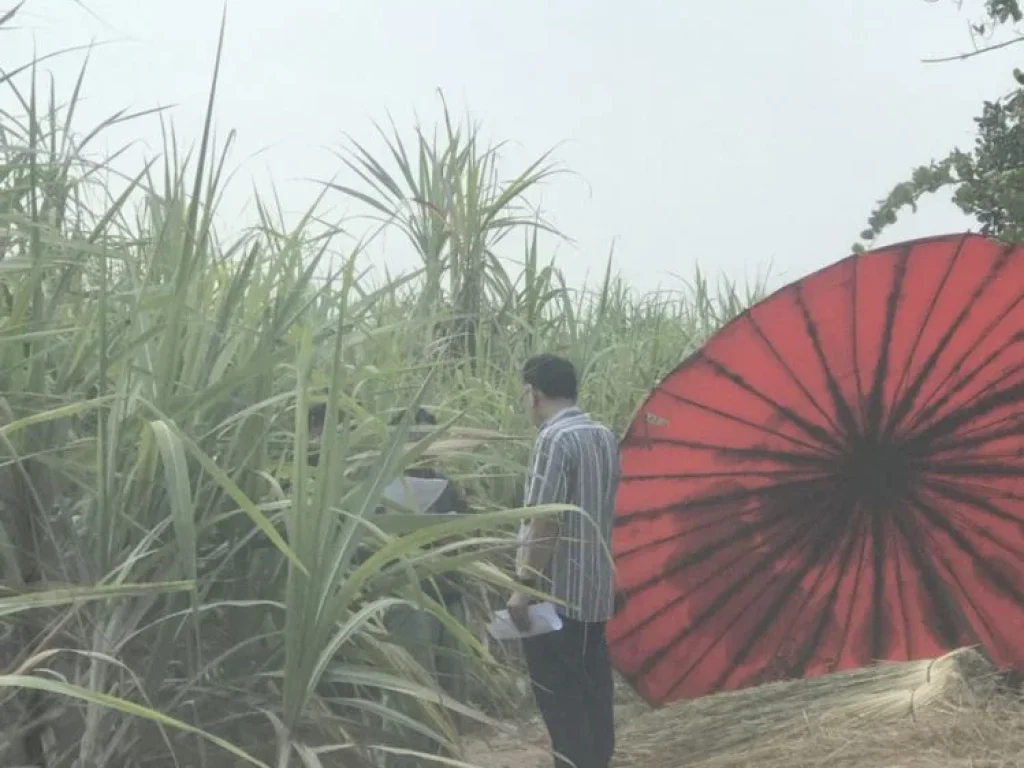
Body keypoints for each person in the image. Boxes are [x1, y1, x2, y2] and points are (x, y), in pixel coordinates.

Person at [508, 353, 620, 768]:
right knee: (593, 696)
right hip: (593, 595)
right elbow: (607, 512)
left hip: (554, 600)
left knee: (562, 706)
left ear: (533, 394)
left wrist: (522, 589)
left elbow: (545, 522)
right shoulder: (603, 436)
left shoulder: (554, 440)